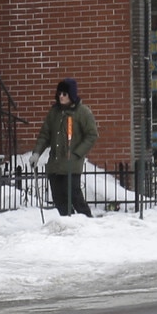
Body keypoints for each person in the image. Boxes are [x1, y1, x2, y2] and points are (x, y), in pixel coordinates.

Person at [33, 78, 98, 216]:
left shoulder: (82, 112)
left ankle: (87, 222)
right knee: (58, 198)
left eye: (65, 94)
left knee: (74, 195)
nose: (61, 96)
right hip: (55, 164)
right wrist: (37, 153)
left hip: (71, 163)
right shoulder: (54, 112)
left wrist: (76, 154)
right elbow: (45, 135)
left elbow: (92, 135)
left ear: (72, 95)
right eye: (59, 93)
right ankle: (69, 222)